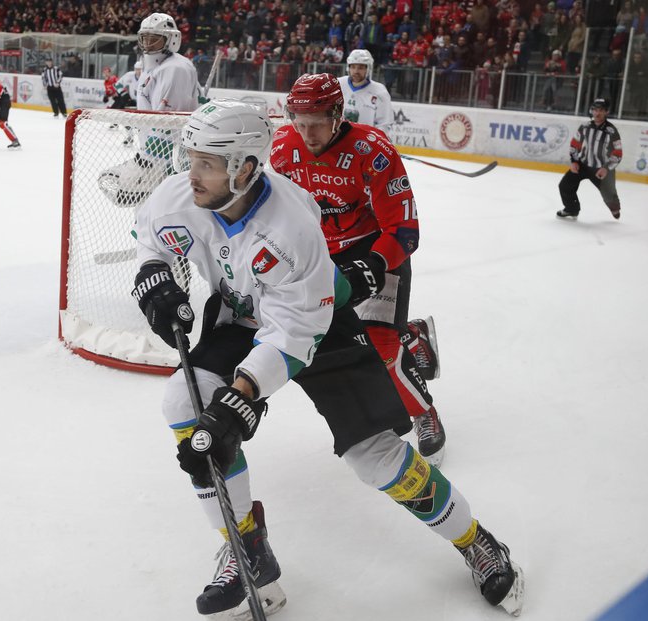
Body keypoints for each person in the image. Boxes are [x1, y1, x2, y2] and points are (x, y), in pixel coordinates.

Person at [132, 99, 524, 620]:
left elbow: (297, 335)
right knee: (184, 402)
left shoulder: (292, 228)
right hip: (241, 313)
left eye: (207, 162)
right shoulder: (181, 196)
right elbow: (150, 239)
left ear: (245, 167)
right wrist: (152, 276)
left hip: (317, 324)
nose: (192, 173)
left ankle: (475, 540)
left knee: (376, 457)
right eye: (191, 158)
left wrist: (242, 396)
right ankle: (247, 548)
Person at [271, 73, 446, 465]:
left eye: (316, 121)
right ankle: (412, 337)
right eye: (299, 121)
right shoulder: (283, 148)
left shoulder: (374, 152)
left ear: (337, 114)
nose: (307, 132)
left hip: (377, 249)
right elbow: (277, 212)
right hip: (323, 254)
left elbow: (404, 230)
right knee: (340, 340)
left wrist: (374, 265)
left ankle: (424, 412)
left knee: (382, 346)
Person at [98, 12, 199, 207]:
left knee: (159, 213)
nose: (147, 44)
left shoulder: (174, 68)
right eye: (144, 38)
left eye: (154, 40)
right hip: (155, 153)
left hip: (168, 159)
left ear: (172, 40)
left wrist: (151, 162)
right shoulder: (155, 66)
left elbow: (169, 123)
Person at [557, 98, 622, 220]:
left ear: (606, 112)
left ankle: (615, 208)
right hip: (583, 165)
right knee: (565, 185)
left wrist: (606, 168)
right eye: (595, 110)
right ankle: (572, 209)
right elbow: (575, 144)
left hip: (601, 169)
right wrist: (574, 161)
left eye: (601, 110)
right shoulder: (584, 127)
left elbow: (618, 153)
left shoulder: (611, 131)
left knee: (610, 197)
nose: (597, 113)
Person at [337, 49, 393, 134]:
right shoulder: (338, 84)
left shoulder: (380, 91)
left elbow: (384, 124)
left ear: (368, 68)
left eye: (360, 68)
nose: (356, 71)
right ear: (348, 68)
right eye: (353, 67)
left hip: (364, 143)